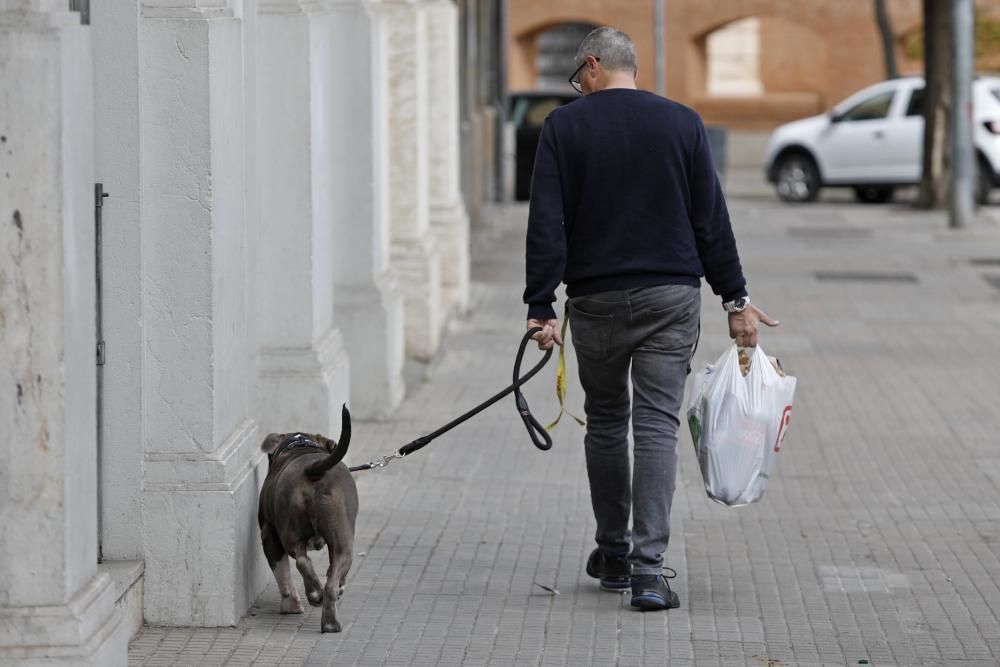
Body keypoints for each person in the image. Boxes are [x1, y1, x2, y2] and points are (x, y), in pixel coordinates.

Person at [522, 27, 778, 611]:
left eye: (577, 78)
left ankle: (613, 553)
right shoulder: (682, 123)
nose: (577, 88)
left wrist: (541, 307)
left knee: (609, 422)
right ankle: (647, 570)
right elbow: (710, 219)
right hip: (670, 297)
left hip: (596, 301)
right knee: (658, 425)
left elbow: (546, 222)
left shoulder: (564, 127)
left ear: (591, 66)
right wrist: (735, 300)